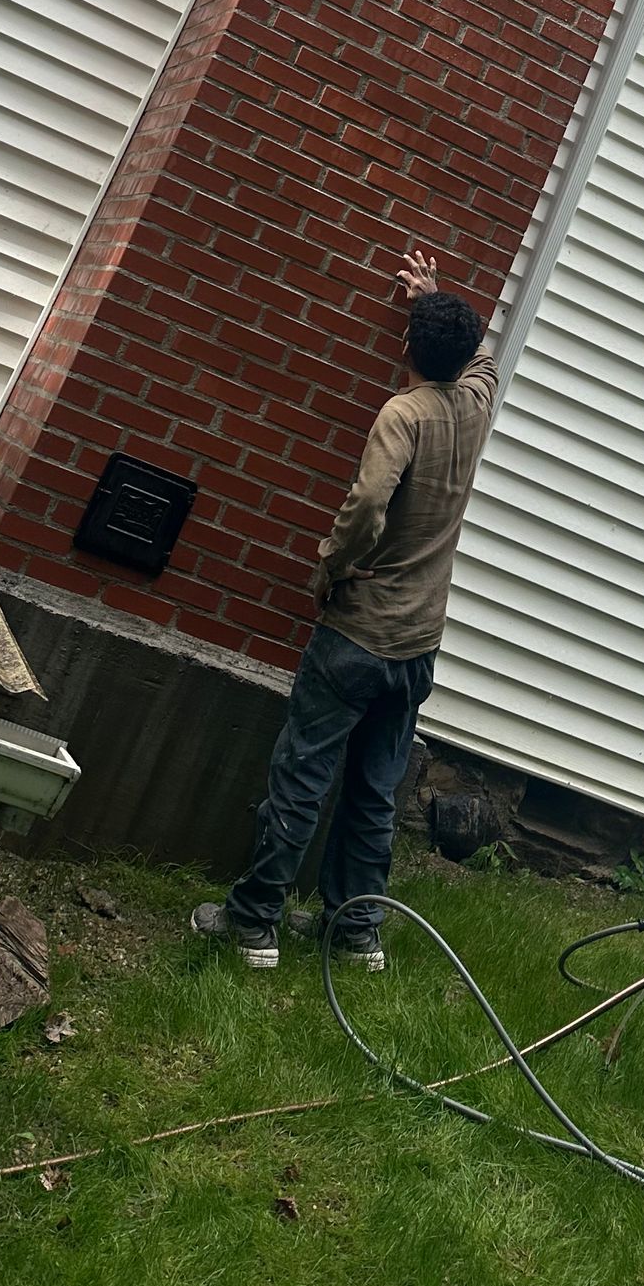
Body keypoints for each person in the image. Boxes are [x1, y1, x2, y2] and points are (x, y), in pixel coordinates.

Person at [192, 247, 497, 973]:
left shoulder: (405, 414)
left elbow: (366, 505)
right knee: (373, 794)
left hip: (359, 635)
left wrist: (333, 566)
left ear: (407, 346)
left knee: (302, 779)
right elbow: (480, 356)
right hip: (418, 645)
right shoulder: (476, 402)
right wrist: (435, 296)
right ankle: (357, 934)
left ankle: (254, 923)